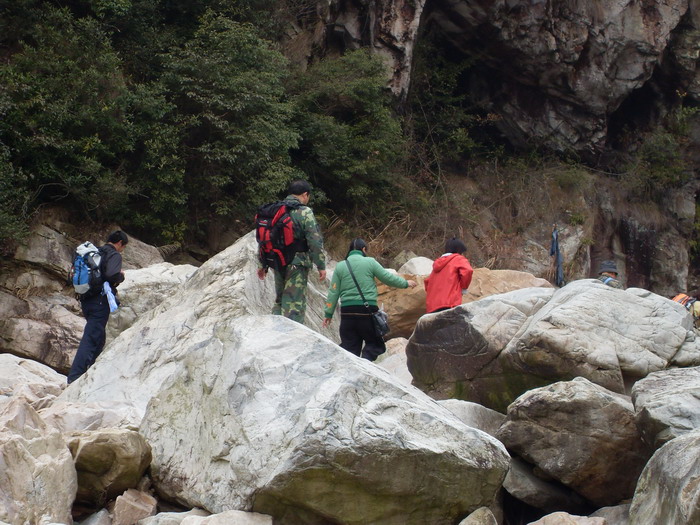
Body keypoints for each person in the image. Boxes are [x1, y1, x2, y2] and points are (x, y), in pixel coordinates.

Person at [323, 238, 417, 361]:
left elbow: (333, 292)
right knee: (375, 344)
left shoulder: (341, 266)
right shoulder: (370, 262)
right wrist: (405, 283)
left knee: (349, 348)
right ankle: (366, 362)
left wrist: (328, 314)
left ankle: (351, 373)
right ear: (363, 249)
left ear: (350, 250)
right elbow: (387, 277)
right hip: (367, 311)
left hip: (347, 312)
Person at [257, 180, 326, 323]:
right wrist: (321, 265)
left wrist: (262, 264)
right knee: (294, 302)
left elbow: (265, 238)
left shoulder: (276, 209)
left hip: (277, 260)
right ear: (305, 195)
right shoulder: (304, 212)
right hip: (297, 263)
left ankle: (273, 331)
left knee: (280, 299)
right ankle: (291, 339)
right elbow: (314, 240)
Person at [67, 230, 128, 384]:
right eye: (123, 247)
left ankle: (92, 374)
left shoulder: (96, 252)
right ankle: (75, 378)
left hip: (86, 300)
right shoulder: (114, 255)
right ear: (119, 243)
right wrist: (121, 275)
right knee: (91, 338)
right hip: (100, 302)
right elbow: (111, 275)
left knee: (99, 338)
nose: (122, 250)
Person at [424, 237, 473, 313]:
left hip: (432, 307)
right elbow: (468, 271)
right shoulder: (458, 259)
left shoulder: (437, 264)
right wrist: (463, 287)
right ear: (458, 250)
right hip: (449, 303)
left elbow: (427, 282)